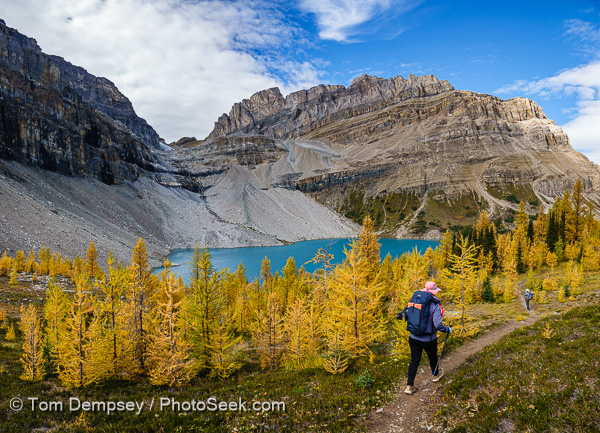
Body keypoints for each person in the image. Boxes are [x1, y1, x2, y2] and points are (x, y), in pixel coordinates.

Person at [405, 281, 451, 395]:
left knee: (414, 361)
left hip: (413, 337)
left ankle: (409, 386)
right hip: (428, 339)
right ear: (434, 292)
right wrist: (448, 330)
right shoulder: (435, 305)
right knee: (432, 358)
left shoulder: (415, 301)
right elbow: (438, 325)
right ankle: (435, 376)